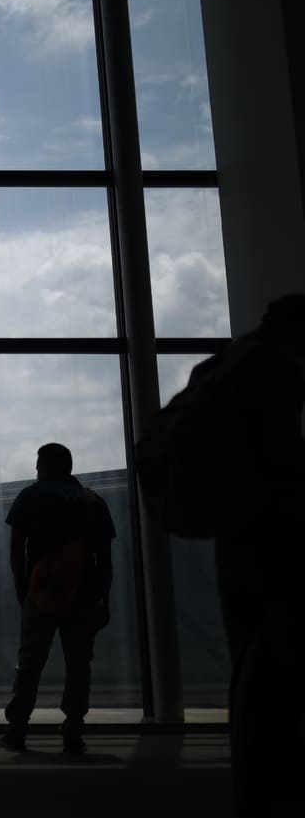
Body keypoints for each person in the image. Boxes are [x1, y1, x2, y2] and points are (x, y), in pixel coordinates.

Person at [206, 295, 305, 816]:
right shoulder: (274, 370)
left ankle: (258, 786)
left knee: (255, 665)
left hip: (240, 538)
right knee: (276, 667)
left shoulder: (228, 364)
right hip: (273, 536)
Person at [0, 442, 115, 755]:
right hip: (84, 594)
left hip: (41, 592)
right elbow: (104, 558)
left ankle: (17, 729)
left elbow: (16, 549)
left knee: (30, 663)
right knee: (79, 665)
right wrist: (104, 598)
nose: (36, 470)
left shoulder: (29, 497)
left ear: (47, 466)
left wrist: (21, 587)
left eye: (39, 463)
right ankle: (73, 730)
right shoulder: (92, 502)